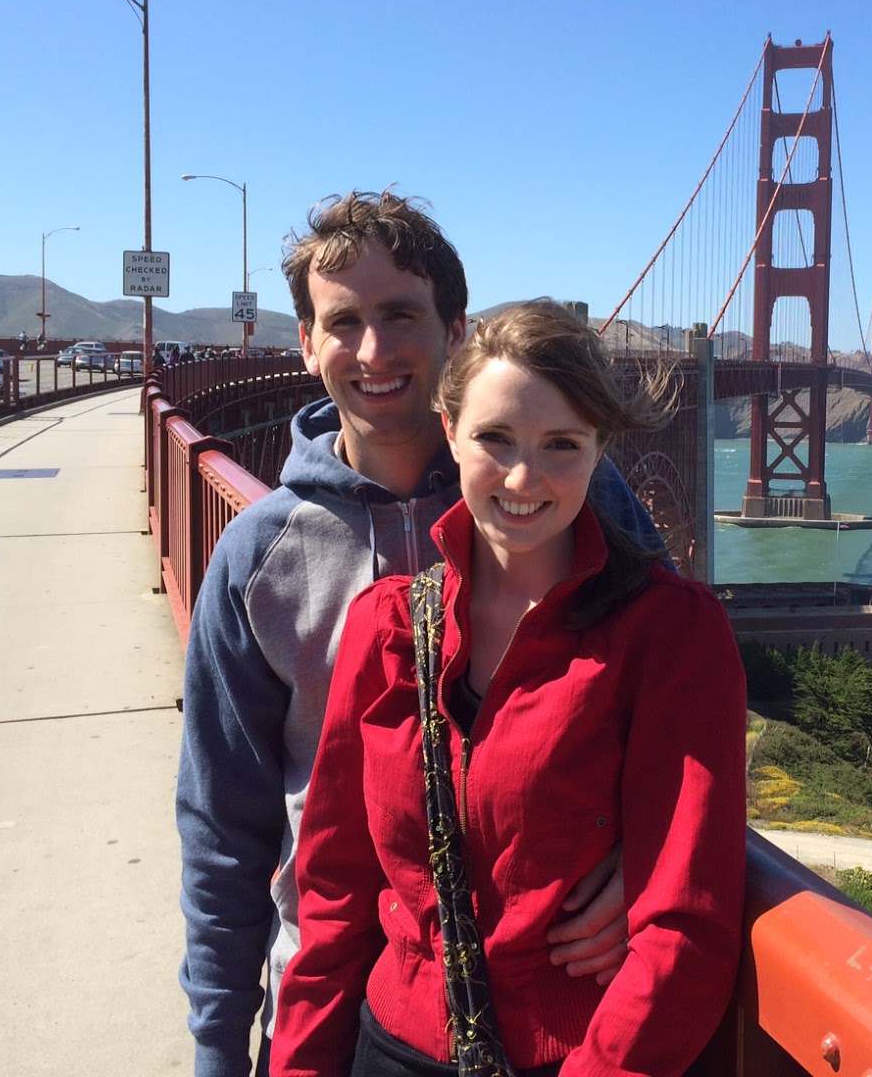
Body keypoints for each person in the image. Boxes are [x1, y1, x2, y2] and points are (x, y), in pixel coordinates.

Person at [176, 194, 662, 1077]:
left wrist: (649, 858)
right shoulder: (256, 558)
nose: (373, 351)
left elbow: (676, 684)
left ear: (456, 330)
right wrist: (217, 1045)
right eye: (343, 322)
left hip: (551, 1010)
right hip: (326, 1005)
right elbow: (222, 826)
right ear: (305, 344)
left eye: (401, 314)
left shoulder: (559, 494)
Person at [271, 301, 747, 1077]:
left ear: (600, 450)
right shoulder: (386, 629)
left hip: (580, 1058)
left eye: (562, 444)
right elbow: (334, 899)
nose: (524, 477)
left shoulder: (669, 636)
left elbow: (684, 932)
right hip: (386, 1047)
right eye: (495, 438)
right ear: (450, 430)